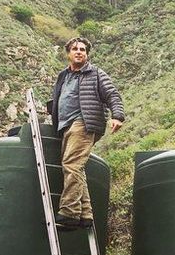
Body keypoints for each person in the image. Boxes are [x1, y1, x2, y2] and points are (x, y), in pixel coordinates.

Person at [49, 37, 124, 228]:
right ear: (68, 53)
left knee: (71, 165)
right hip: (65, 125)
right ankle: (85, 214)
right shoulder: (63, 76)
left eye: (83, 49)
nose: (79, 52)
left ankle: (69, 212)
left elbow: (112, 94)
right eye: (75, 49)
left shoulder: (96, 73)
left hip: (84, 122)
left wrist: (117, 116)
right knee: (77, 167)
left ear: (87, 54)